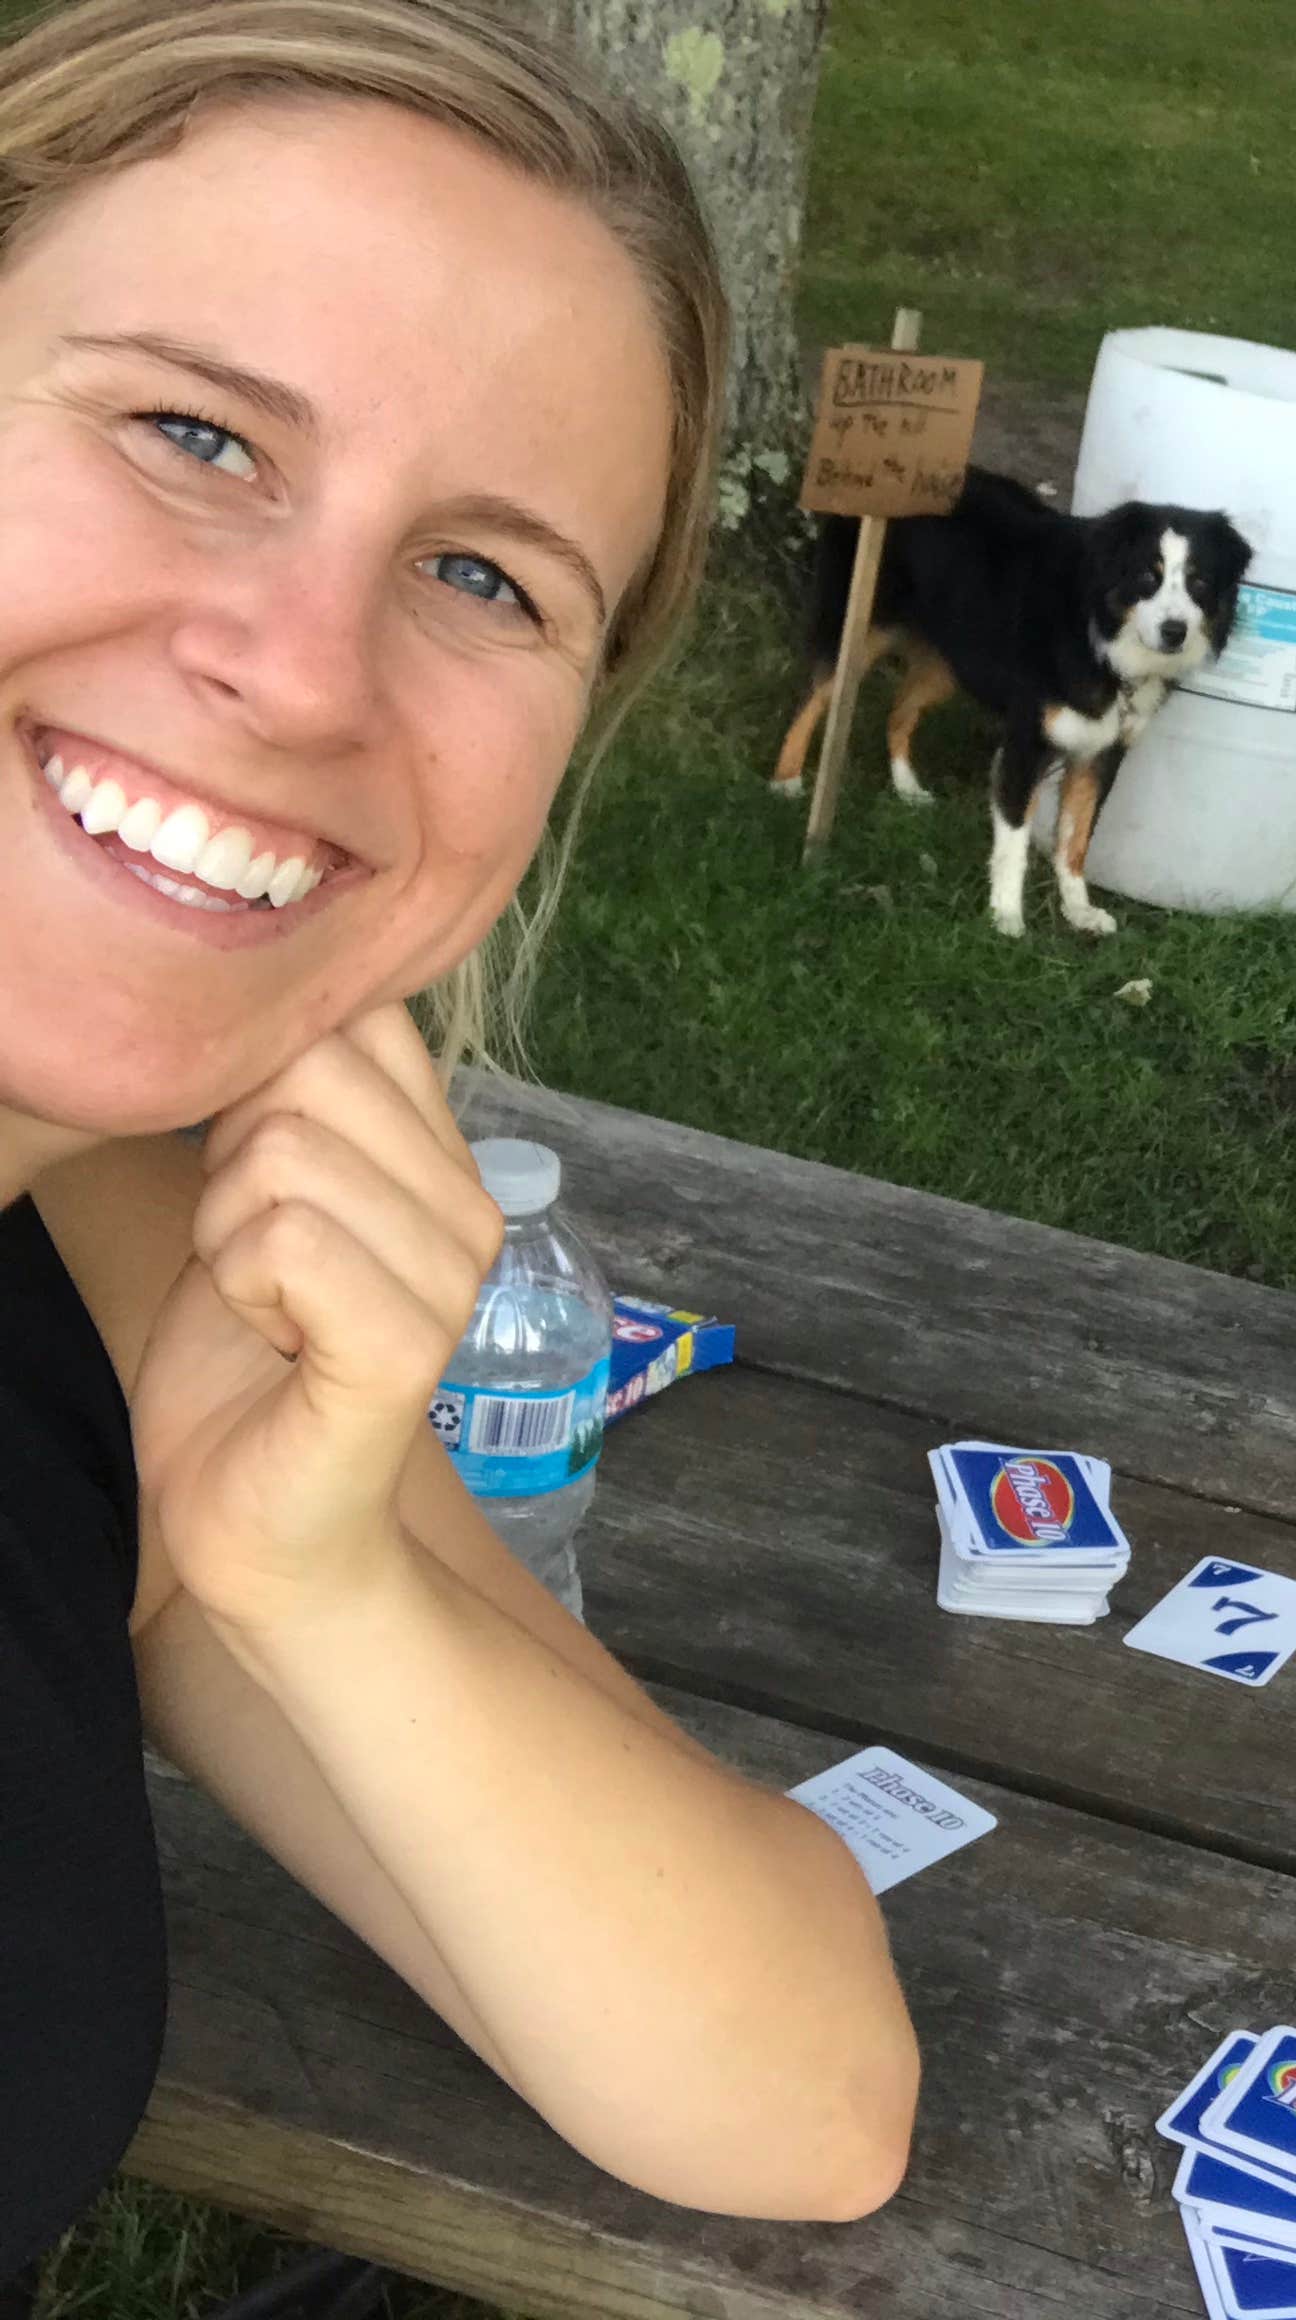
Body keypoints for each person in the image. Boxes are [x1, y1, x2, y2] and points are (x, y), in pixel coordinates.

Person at [0, 0, 917, 2283]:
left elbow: (792, 2085)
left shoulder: (130, 1247)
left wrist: (307, 1575)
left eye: (490, 576)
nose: (307, 671)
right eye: (192, 431)